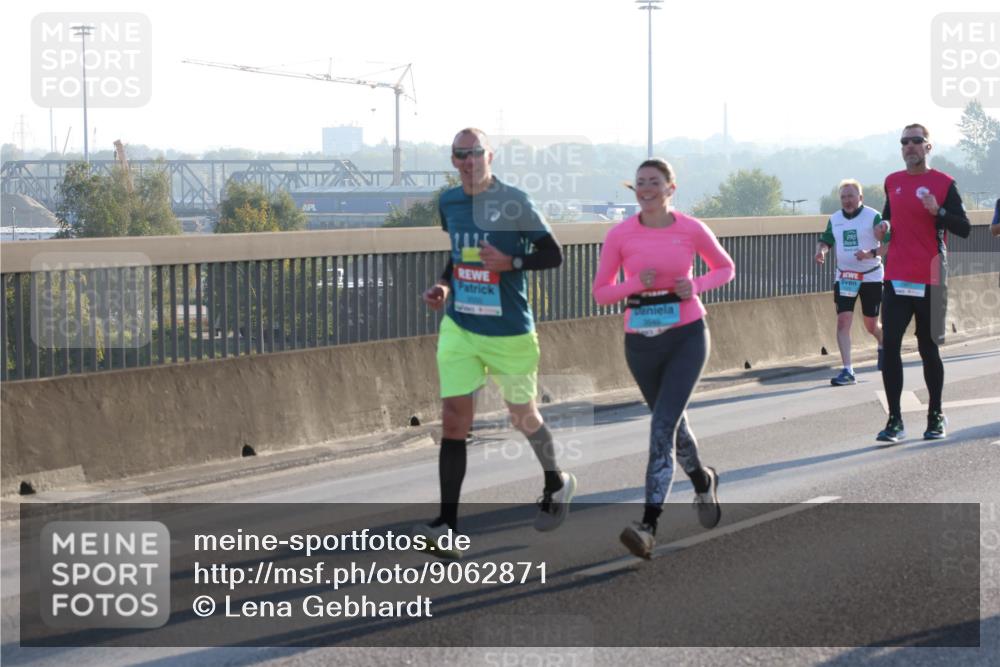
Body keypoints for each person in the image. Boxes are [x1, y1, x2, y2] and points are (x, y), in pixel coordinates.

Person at [414, 128, 575, 558]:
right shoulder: (449, 202)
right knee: (453, 421)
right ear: (453, 160)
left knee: (523, 416)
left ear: (491, 156)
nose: (469, 161)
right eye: (460, 155)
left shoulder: (515, 201)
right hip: (461, 326)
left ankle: (556, 481)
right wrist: (444, 286)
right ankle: (447, 526)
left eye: (476, 153)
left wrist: (511, 261)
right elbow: (458, 254)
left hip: (509, 331)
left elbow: (553, 254)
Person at [592, 158, 735, 560]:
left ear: (671, 188)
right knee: (672, 423)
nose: (646, 189)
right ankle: (702, 480)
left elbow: (725, 268)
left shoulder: (690, 228)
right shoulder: (620, 234)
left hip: (686, 336)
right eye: (640, 182)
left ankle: (648, 525)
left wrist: (696, 285)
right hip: (641, 342)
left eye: (654, 182)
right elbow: (601, 292)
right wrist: (635, 284)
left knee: (661, 426)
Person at [873, 124, 970, 443]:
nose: (910, 146)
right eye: (905, 141)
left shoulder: (944, 183)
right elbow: (889, 220)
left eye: (917, 141)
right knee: (890, 347)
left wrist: (938, 211)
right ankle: (895, 420)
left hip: (931, 277)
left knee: (929, 348)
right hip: (896, 277)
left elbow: (964, 228)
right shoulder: (893, 181)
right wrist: (884, 228)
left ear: (928, 147)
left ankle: (936, 415)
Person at [814, 179, 886, 385]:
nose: (847, 201)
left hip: (871, 276)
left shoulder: (873, 216)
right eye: (843, 197)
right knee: (843, 321)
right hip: (845, 277)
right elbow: (826, 241)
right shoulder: (835, 218)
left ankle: (883, 342)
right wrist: (821, 251)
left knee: (871, 325)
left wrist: (870, 253)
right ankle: (847, 370)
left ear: (860, 197)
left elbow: (889, 244)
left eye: (851, 196)